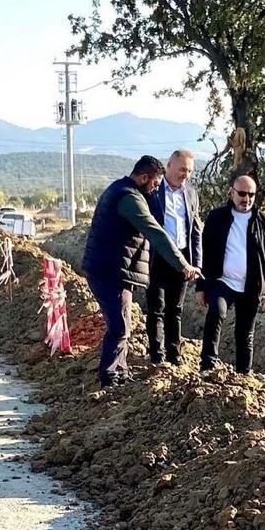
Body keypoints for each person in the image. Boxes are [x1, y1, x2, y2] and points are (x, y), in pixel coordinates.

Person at [82, 156, 201, 387]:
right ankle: (109, 376)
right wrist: (183, 264)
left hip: (116, 270)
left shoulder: (123, 190)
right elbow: (155, 232)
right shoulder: (129, 198)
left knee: (123, 323)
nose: (156, 188)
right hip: (108, 271)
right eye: (155, 183)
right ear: (144, 177)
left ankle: (121, 371)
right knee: (118, 326)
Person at [196, 171, 265, 374]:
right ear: (231, 193)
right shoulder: (216, 218)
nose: (247, 199)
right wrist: (201, 286)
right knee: (216, 314)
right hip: (222, 281)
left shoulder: (264, 222)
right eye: (242, 193)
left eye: (251, 194)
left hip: (251, 286)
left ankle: (243, 374)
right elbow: (203, 253)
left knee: (245, 333)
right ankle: (208, 367)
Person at [145, 149, 202, 365]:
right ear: (169, 166)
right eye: (181, 170)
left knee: (175, 309)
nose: (184, 175)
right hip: (156, 258)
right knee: (156, 308)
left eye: (188, 171)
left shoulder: (191, 194)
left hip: (182, 259)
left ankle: (174, 354)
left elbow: (195, 230)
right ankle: (156, 356)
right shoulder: (153, 192)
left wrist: (196, 263)